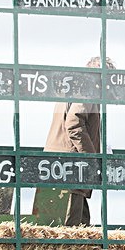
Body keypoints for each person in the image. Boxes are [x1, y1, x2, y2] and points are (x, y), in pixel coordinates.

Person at [43, 56, 114, 226]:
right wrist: (92, 158)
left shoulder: (73, 89)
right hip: (72, 167)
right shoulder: (87, 91)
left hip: (57, 165)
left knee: (69, 226)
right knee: (71, 227)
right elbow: (74, 124)